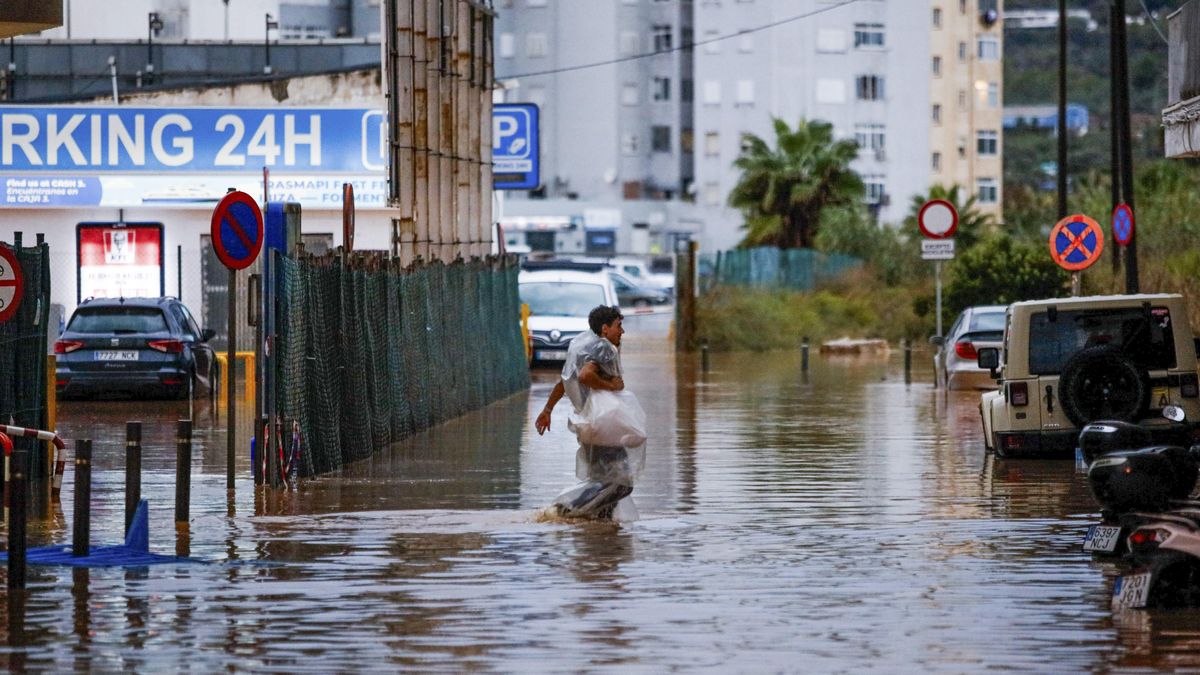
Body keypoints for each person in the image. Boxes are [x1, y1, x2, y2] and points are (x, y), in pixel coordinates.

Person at [535, 305, 635, 519]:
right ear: (605, 328)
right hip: (603, 428)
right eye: (618, 326)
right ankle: (564, 509)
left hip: (590, 427)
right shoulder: (604, 349)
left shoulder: (583, 348)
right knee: (622, 484)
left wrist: (547, 409)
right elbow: (584, 376)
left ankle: (598, 532)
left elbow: (565, 381)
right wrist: (612, 386)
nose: (622, 331)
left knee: (602, 482)